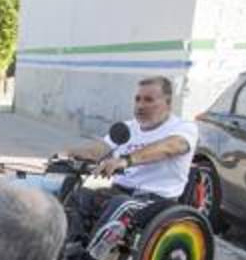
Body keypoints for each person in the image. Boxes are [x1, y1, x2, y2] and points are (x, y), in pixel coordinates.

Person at [63, 76, 199, 240]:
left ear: (168, 103)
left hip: (155, 199)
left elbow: (169, 148)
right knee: (80, 193)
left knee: (121, 205)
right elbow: (101, 149)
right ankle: (71, 244)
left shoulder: (184, 128)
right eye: (138, 99)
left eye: (149, 100)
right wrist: (70, 153)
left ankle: (90, 258)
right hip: (119, 191)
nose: (140, 106)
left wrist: (125, 161)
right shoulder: (127, 127)